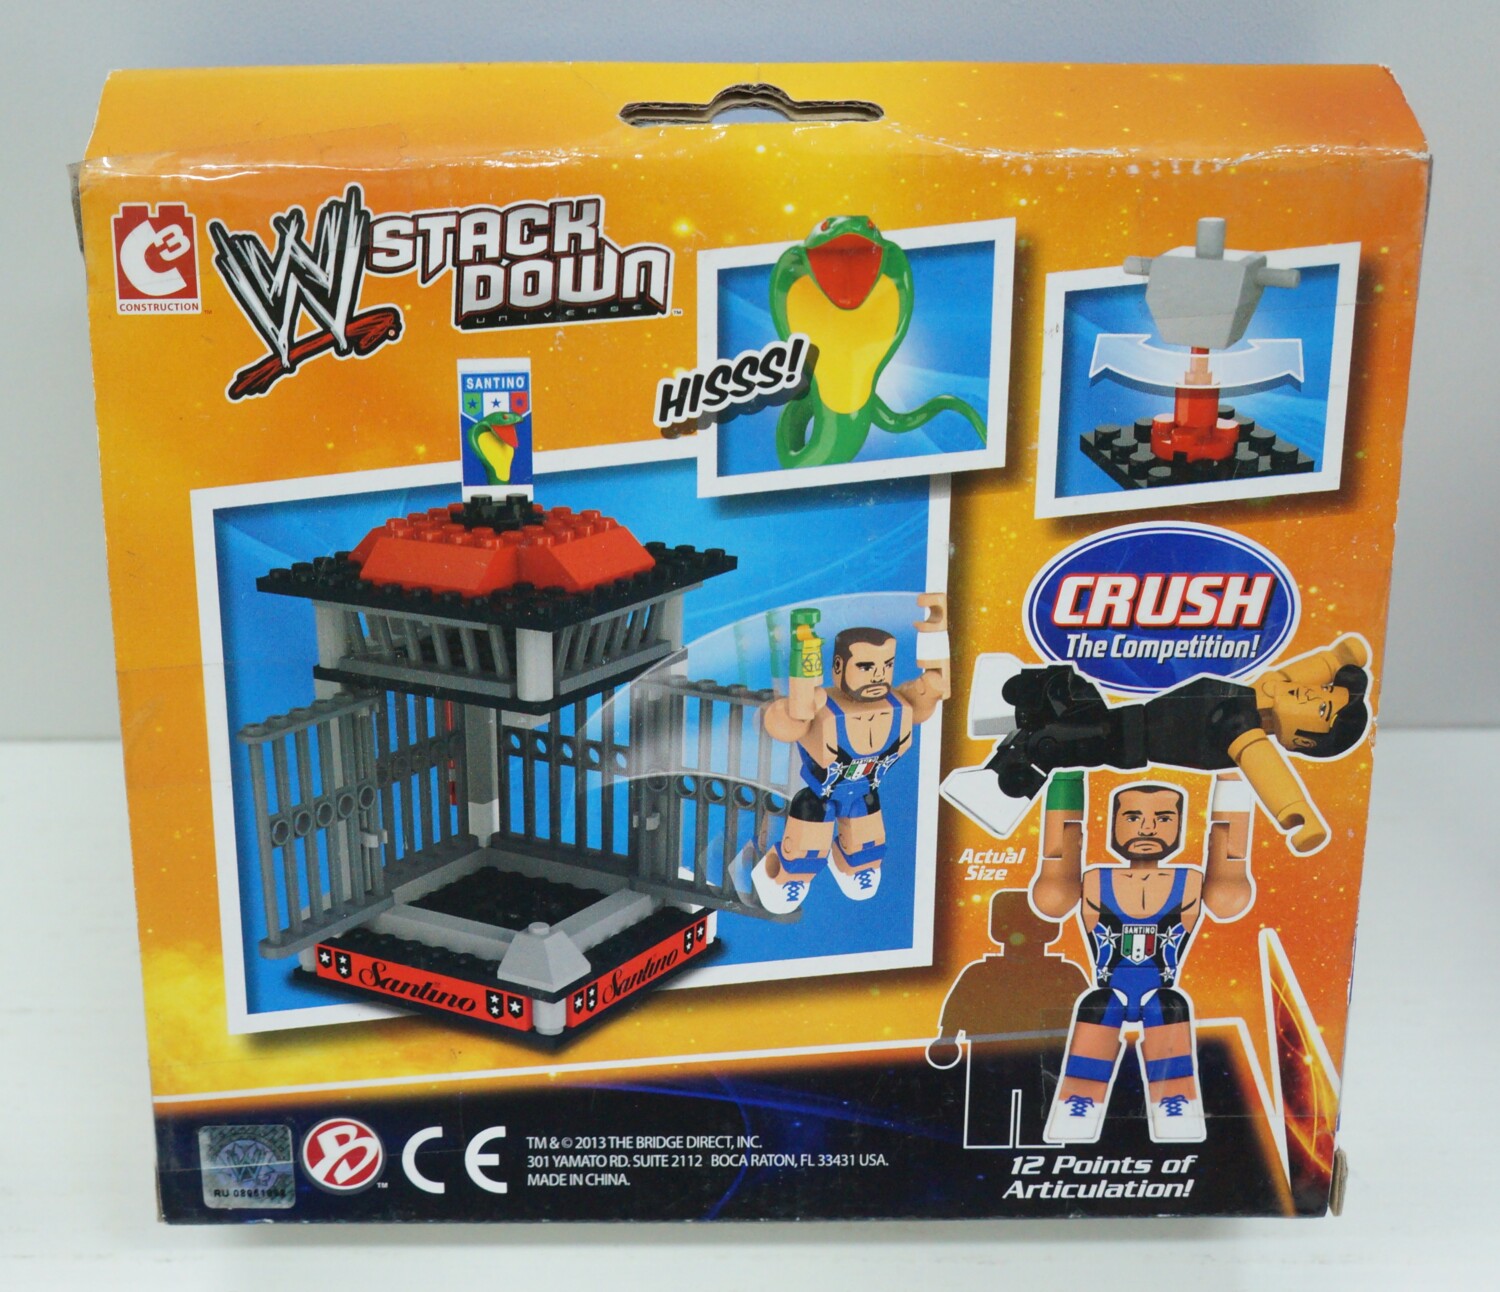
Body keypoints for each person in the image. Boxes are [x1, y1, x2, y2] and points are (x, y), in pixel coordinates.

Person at [941, 633, 1370, 853]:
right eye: (1321, 691)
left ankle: (1003, 781)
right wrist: (1338, 659)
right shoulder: (1271, 689)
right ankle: (1010, 702)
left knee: (1057, 741)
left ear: (1305, 740)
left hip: (1125, 740)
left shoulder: (1243, 732)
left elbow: (1269, 773)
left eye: (1321, 707)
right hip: (1130, 718)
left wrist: (1298, 817)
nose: (1310, 695)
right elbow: (1310, 669)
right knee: (1068, 691)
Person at [1031, 772, 1255, 1144]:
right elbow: (1053, 894)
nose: (1147, 828)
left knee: (1168, 1006)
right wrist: (1066, 779)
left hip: (1159, 992)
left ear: (1180, 827)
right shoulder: (1096, 881)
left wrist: (1234, 780)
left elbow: (1228, 892)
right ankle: (1077, 1102)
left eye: (1163, 818)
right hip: (1110, 990)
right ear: (1114, 825)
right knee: (1097, 1005)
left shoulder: (1189, 883)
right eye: (1133, 817)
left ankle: (1176, 1102)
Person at [734, 596, 949, 914]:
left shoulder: (897, 703)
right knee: (807, 844)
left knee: (867, 844)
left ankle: (855, 865)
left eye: (886, 665)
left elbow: (928, 695)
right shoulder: (821, 707)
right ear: (838, 667)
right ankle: (785, 876)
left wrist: (935, 650)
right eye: (866, 666)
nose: (878, 675)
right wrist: (796, 707)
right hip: (820, 793)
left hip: (864, 790)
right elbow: (781, 725)